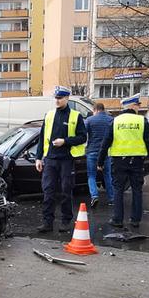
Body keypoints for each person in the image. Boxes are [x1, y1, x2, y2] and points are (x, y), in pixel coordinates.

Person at [97, 93, 149, 228]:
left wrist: (100, 162)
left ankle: (117, 219)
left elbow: (105, 143)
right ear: (131, 106)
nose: (138, 107)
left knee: (118, 189)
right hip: (137, 161)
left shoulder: (115, 121)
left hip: (119, 161)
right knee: (137, 190)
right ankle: (135, 220)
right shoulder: (142, 121)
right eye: (137, 105)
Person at [35, 85, 88, 233]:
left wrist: (65, 141)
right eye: (56, 98)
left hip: (66, 159)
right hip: (50, 159)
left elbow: (82, 137)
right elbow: (41, 138)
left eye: (60, 98)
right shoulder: (50, 115)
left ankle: (65, 221)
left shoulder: (75, 116)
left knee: (66, 191)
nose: (57, 101)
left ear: (67, 98)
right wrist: (38, 158)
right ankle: (47, 222)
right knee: (48, 191)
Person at [84, 102, 114, 208]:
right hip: (106, 152)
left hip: (92, 151)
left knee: (91, 175)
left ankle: (94, 195)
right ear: (103, 109)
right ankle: (111, 199)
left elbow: (83, 134)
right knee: (108, 175)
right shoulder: (111, 120)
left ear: (95, 110)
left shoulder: (89, 120)